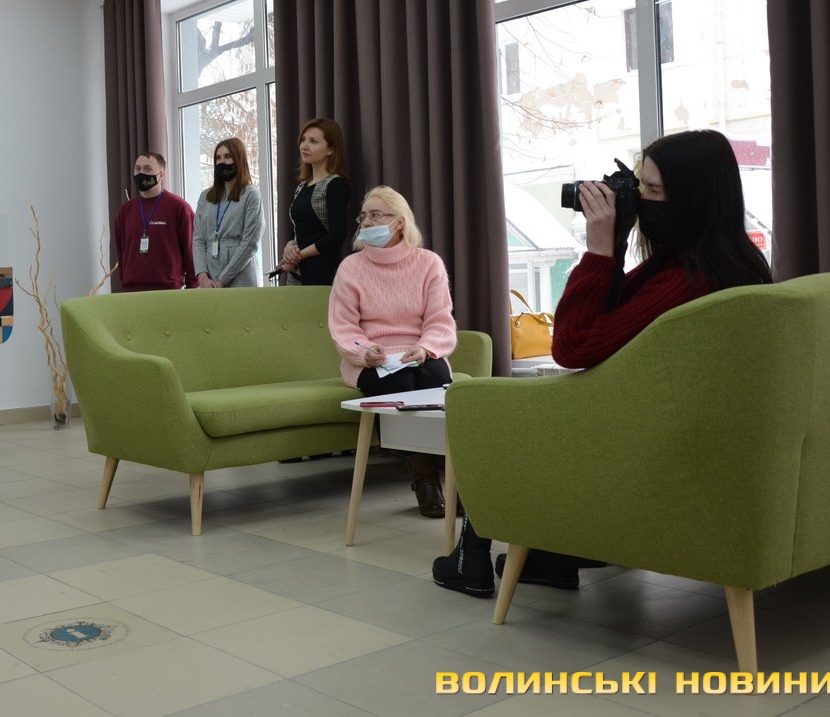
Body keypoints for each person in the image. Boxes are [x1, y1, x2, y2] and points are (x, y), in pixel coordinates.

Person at [433, 128, 774, 598]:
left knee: (488, 410)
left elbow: (573, 346)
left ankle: (471, 558)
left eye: (652, 190)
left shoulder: (685, 279)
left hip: (644, 449)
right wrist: (616, 244)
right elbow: (611, 319)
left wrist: (598, 246)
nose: (640, 198)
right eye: (639, 184)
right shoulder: (729, 263)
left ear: (692, 199)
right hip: (680, 433)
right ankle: (550, 553)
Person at [329, 185, 458, 517]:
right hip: (370, 359)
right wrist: (365, 350)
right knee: (400, 384)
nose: (367, 222)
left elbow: (440, 320)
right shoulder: (351, 268)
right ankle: (425, 480)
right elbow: (343, 326)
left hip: (420, 353)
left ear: (399, 222)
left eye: (376, 215)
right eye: (364, 216)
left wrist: (425, 348)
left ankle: (456, 479)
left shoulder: (428, 263)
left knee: (433, 375)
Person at [278, 118, 351, 285]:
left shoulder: (336, 184)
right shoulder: (302, 186)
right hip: (295, 274)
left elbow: (336, 236)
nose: (304, 146)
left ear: (331, 149)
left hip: (322, 273)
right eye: (303, 140)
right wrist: (289, 246)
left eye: (313, 141)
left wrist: (298, 255)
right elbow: (297, 229)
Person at [113, 152, 198, 291]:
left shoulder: (179, 208)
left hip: (168, 290)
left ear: (162, 175)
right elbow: (121, 252)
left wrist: (192, 286)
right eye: (137, 169)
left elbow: (191, 250)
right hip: (132, 290)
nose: (141, 173)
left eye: (147, 169)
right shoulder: (124, 211)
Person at [193, 138, 264, 288]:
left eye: (227, 156)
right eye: (218, 158)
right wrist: (202, 276)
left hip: (240, 276)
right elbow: (198, 239)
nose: (222, 162)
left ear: (239, 159)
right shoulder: (205, 197)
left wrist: (222, 280)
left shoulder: (251, 194)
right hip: (209, 279)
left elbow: (249, 244)